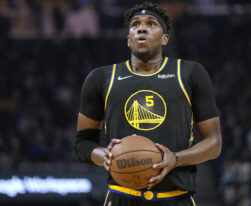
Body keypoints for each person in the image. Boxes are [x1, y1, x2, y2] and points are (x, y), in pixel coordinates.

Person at [75, 2, 222, 206]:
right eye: (135, 25)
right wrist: (105, 156)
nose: (141, 28)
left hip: (176, 198)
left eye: (151, 23)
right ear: (128, 39)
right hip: (121, 196)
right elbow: (83, 144)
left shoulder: (190, 73)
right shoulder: (101, 78)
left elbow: (214, 144)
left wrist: (176, 159)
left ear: (164, 38)